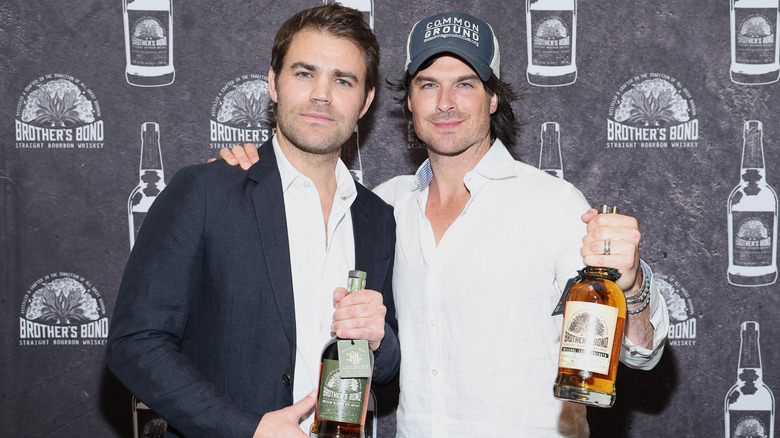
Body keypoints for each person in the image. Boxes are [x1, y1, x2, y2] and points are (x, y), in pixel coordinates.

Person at [220, 11, 669, 437]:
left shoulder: (552, 204)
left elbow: (640, 353)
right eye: (429, 84)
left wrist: (633, 288)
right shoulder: (382, 206)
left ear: (493, 98)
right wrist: (247, 176)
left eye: (465, 84)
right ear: (410, 101)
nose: (446, 103)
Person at [106, 4, 400, 438]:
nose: (322, 94)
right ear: (273, 84)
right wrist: (248, 430)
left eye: (343, 80)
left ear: (366, 101)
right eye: (304, 73)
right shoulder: (206, 191)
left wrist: (380, 341)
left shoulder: (377, 217)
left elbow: (387, 366)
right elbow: (136, 343)